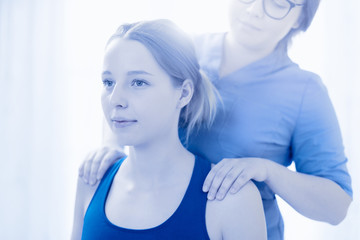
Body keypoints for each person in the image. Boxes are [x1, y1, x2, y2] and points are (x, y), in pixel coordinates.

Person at [79, 1, 353, 239]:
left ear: (302, 17)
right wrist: (111, 146)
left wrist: (266, 170)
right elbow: (125, 92)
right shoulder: (184, 48)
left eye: (279, 3)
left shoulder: (305, 91)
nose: (255, 10)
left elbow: (336, 206)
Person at [71, 19, 267, 240]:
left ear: (183, 93)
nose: (115, 99)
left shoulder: (234, 199)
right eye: (108, 82)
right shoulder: (91, 180)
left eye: (138, 82)